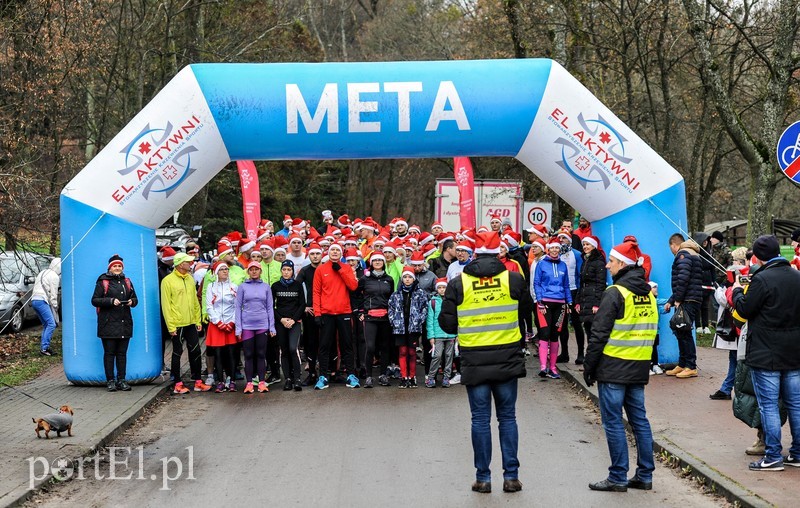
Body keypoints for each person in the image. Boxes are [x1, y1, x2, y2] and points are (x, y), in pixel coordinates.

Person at [439, 231, 527, 494]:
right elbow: (526, 311)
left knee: (479, 420)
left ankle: (483, 478)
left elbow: (447, 324)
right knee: (507, 418)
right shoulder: (513, 279)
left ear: (475, 253)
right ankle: (511, 477)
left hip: (474, 360)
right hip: (507, 358)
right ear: (499, 253)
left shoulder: (458, 284)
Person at [583, 240, 657, 492]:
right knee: (640, 421)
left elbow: (598, 334)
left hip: (613, 367)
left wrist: (589, 367)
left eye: (612, 261)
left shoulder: (615, 293)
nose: (607, 265)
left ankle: (617, 476)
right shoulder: (648, 294)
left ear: (622, 264)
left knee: (613, 422)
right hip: (638, 366)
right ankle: (645, 475)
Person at [731, 235, 800, 471]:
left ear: (759, 258)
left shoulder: (761, 279)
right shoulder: (797, 276)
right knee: (795, 405)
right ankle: (797, 453)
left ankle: (772, 456)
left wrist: (737, 292)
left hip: (766, 352)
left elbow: (745, 310)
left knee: (768, 405)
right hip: (794, 351)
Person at [312, 243, 360, 390]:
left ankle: (351, 375)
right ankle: (323, 376)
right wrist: (317, 313)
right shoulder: (321, 269)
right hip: (326, 313)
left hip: (344, 312)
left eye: (337, 250)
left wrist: (340, 270)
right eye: (332, 250)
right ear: (328, 252)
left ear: (341, 254)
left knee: (347, 345)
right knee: (324, 346)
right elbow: (316, 292)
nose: (334, 252)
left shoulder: (346, 268)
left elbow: (353, 286)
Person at [161, 252, 210, 394]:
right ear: (180, 264)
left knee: (196, 351)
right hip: (177, 323)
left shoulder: (189, 278)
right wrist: (171, 326)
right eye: (188, 262)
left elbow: (194, 301)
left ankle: (198, 382)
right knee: (177, 352)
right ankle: (177, 383)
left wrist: (197, 320)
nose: (190, 264)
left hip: (190, 322)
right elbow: (166, 305)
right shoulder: (167, 281)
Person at [91, 255, 138, 392]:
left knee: (122, 354)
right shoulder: (103, 282)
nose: (117, 268)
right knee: (109, 353)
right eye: (115, 266)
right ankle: (110, 381)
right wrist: (111, 301)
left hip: (124, 323)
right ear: (110, 268)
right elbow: (95, 300)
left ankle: (121, 380)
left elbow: (135, 298)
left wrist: (132, 302)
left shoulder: (127, 281)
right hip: (108, 324)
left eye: (119, 266)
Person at [664, 234, 703, 378]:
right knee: (681, 330)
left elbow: (682, 278)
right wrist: (671, 300)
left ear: (673, 244)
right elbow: (685, 281)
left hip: (688, 299)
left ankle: (690, 366)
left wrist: (678, 299)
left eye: (671, 248)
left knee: (684, 332)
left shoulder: (683, 254)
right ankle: (682, 364)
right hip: (690, 297)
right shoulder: (692, 254)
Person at [235, 261, 276, 394]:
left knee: (261, 354)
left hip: (262, 325)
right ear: (248, 272)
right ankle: (249, 383)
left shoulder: (266, 287)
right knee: (248, 354)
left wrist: (272, 327)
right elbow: (238, 307)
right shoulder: (242, 287)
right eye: (251, 269)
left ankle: (262, 382)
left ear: (260, 271)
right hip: (247, 325)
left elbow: (270, 307)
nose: (254, 271)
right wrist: (238, 328)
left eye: (256, 269)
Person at [532, 240, 571, 379]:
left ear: (559, 250)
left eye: (557, 248)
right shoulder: (541, 264)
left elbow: (566, 285)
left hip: (560, 303)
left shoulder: (563, 265)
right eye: (552, 248)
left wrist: (569, 302)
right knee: (545, 333)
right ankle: (543, 367)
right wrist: (539, 300)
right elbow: (536, 283)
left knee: (555, 335)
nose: (554, 250)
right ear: (548, 250)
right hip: (545, 303)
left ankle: (553, 368)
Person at [358, 251, 395, 388]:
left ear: (383, 262)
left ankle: (383, 375)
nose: (378, 262)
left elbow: (391, 297)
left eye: (380, 260)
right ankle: (369, 376)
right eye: (375, 260)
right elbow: (357, 296)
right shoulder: (365, 279)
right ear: (371, 263)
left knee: (385, 347)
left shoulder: (389, 279)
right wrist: (360, 312)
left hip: (385, 317)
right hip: (370, 317)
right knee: (370, 347)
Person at [388, 266, 428, 388]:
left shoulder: (420, 293)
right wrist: (394, 321)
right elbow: (391, 309)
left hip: (413, 327)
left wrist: (419, 320)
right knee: (403, 351)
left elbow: (425, 308)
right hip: (400, 327)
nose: (407, 279)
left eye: (409, 277)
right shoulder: (396, 294)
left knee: (411, 352)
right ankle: (403, 376)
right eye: (405, 277)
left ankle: (412, 377)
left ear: (413, 279)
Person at [271, 259, 306, 391]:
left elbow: (302, 304)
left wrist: (293, 319)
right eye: (284, 270)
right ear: (281, 271)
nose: (286, 272)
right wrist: (281, 319)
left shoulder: (297, 285)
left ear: (292, 271)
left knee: (293, 348)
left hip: (294, 322)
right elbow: (271, 306)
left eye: (289, 270)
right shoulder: (275, 286)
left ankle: (297, 378)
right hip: (281, 322)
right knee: (284, 350)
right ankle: (288, 379)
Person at [205, 261, 238, 393]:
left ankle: (232, 380)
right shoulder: (211, 287)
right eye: (222, 269)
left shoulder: (234, 286)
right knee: (218, 353)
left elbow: (238, 306)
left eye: (226, 269)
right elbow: (209, 306)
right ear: (216, 272)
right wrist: (218, 322)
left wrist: (232, 322)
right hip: (216, 325)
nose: (225, 271)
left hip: (230, 324)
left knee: (231, 353)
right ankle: (220, 381)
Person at [575, 236, 607, 365]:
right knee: (588, 329)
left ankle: (595, 360)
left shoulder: (599, 262)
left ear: (594, 246)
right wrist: (578, 301)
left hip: (593, 299)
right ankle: (590, 360)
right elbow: (581, 282)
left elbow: (601, 284)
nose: (585, 247)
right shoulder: (586, 260)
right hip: (585, 299)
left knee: (593, 331)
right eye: (584, 245)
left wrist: (597, 303)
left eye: (588, 244)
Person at [296, 243, 323, 386]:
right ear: (309, 256)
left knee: (326, 342)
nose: (315, 256)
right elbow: (296, 288)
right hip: (311, 310)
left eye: (317, 253)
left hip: (326, 310)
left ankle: (327, 373)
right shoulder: (305, 271)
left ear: (322, 255)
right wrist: (304, 306)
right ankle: (312, 373)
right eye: (312, 254)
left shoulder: (327, 269)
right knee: (310, 343)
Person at [557, 228, 583, 363]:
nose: (561, 240)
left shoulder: (577, 254)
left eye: (564, 238)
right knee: (562, 323)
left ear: (570, 240)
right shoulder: (557, 254)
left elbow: (580, 274)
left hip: (573, 291)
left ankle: (581, 354)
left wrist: (579, 293)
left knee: (577, 323)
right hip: (561, 292)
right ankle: (564, 353)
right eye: (560, 238)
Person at [425, 278, 456, 387]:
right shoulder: (433, 302)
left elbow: (456, 318)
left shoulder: (453, 301)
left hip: (451, 334)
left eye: (444, 287)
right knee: (437, 356)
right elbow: (430, 320)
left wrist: (457, 334)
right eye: (439, 287)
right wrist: (431, 336)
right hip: (438, 334)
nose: (442, 290)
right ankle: (431, 377)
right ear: (436, 289)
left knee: (449, 356)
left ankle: (446, 377)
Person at [31, 257, 61, 356]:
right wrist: (55, 307)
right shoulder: (54, 276)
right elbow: (54, 294)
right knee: (51, 324)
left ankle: (44, 347)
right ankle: (44, 348)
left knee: (46, 324)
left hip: (34, 300)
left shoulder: (43, 272)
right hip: (42, 300)